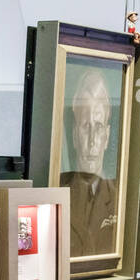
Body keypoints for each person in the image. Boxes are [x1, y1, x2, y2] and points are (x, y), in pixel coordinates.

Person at [59, 69, 119, 260]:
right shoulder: (55, 190)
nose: (93, 140)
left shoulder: (121, 198)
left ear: (107, 137)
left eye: (99, 127)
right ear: (75, 136)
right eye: (86, 127)